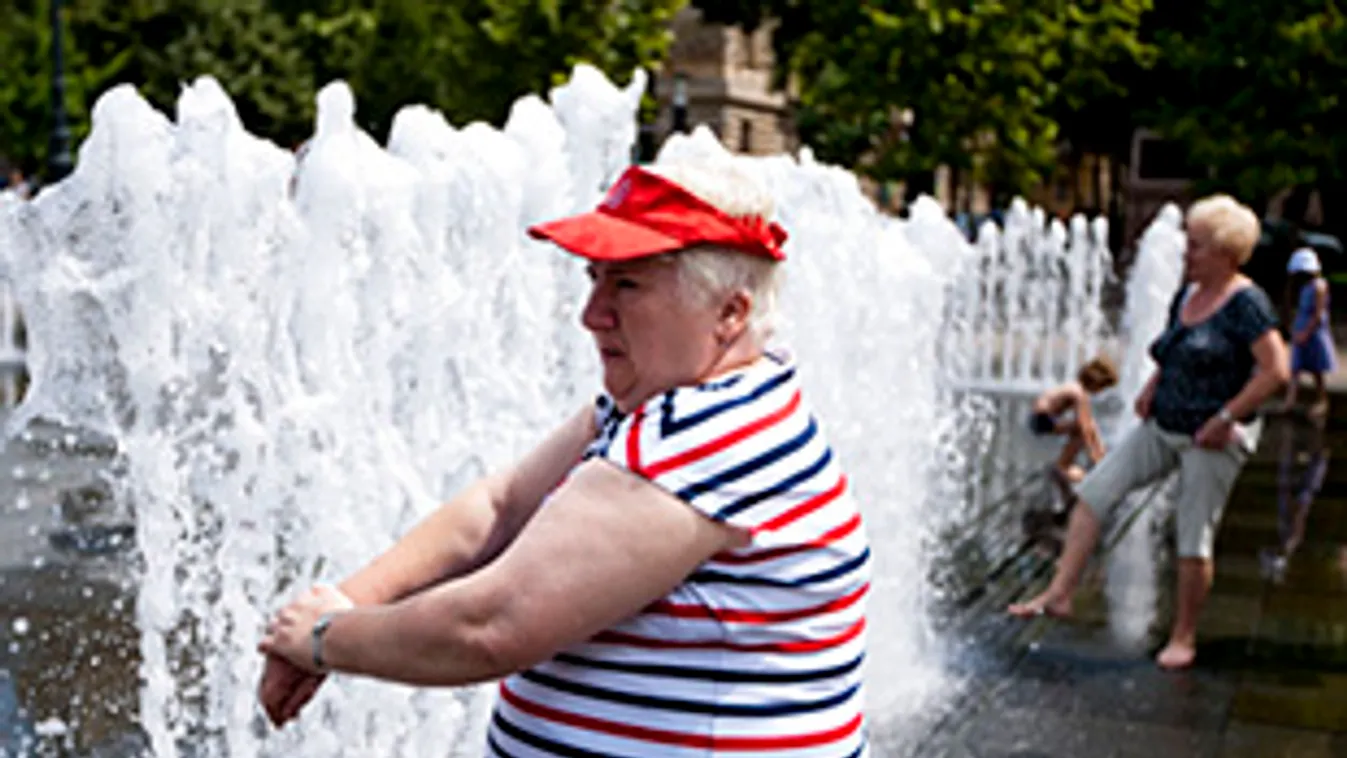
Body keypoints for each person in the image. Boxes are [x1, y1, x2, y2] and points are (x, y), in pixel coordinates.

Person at [256, 162, 871, 756]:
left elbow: (490, 628)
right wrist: (346, 600)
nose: (591, 314)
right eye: (594, 278)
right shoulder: (686, 401)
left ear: (730, 313)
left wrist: (321, 640)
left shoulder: (704, 440)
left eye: (627, 283)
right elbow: (499, 508)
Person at [1008, 194, 1289, 671]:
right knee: (1095, 492)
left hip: (1211, 438)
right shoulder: (1188, 294)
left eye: (1196, 246)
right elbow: (1171, 349)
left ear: (1225, 253)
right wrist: (1152, 387)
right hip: (1163, 424)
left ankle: (1183, 636)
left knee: (1192, 537)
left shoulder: (1247, 304)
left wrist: (1225, 417)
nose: (1186, 253)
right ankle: (1059, 594)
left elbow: (1275, 371)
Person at [1028, 355, 1120, 483]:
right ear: (1096, 381)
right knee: (1080, 429)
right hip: (1041, 419)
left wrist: (1098, 449)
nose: (1100, 392)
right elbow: (1085, 427)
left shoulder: (1077, 389)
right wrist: (1094, 454)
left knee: (1087, 424)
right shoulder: (1078, 393)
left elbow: (1089, 423)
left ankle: (1099, 458)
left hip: (1040, 418)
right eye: (1102, 387)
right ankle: (1064, 465)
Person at [1281, 248, 1336, 417]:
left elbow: (1318, 314)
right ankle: (1289, 402)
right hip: (1301, 325)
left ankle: (1322, 400)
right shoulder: (1304, 286)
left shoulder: (1319, 286)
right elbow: (1291, 303)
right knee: (1295, 367)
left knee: (1316, 368)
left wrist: (1306, 332)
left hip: (1313, 330)